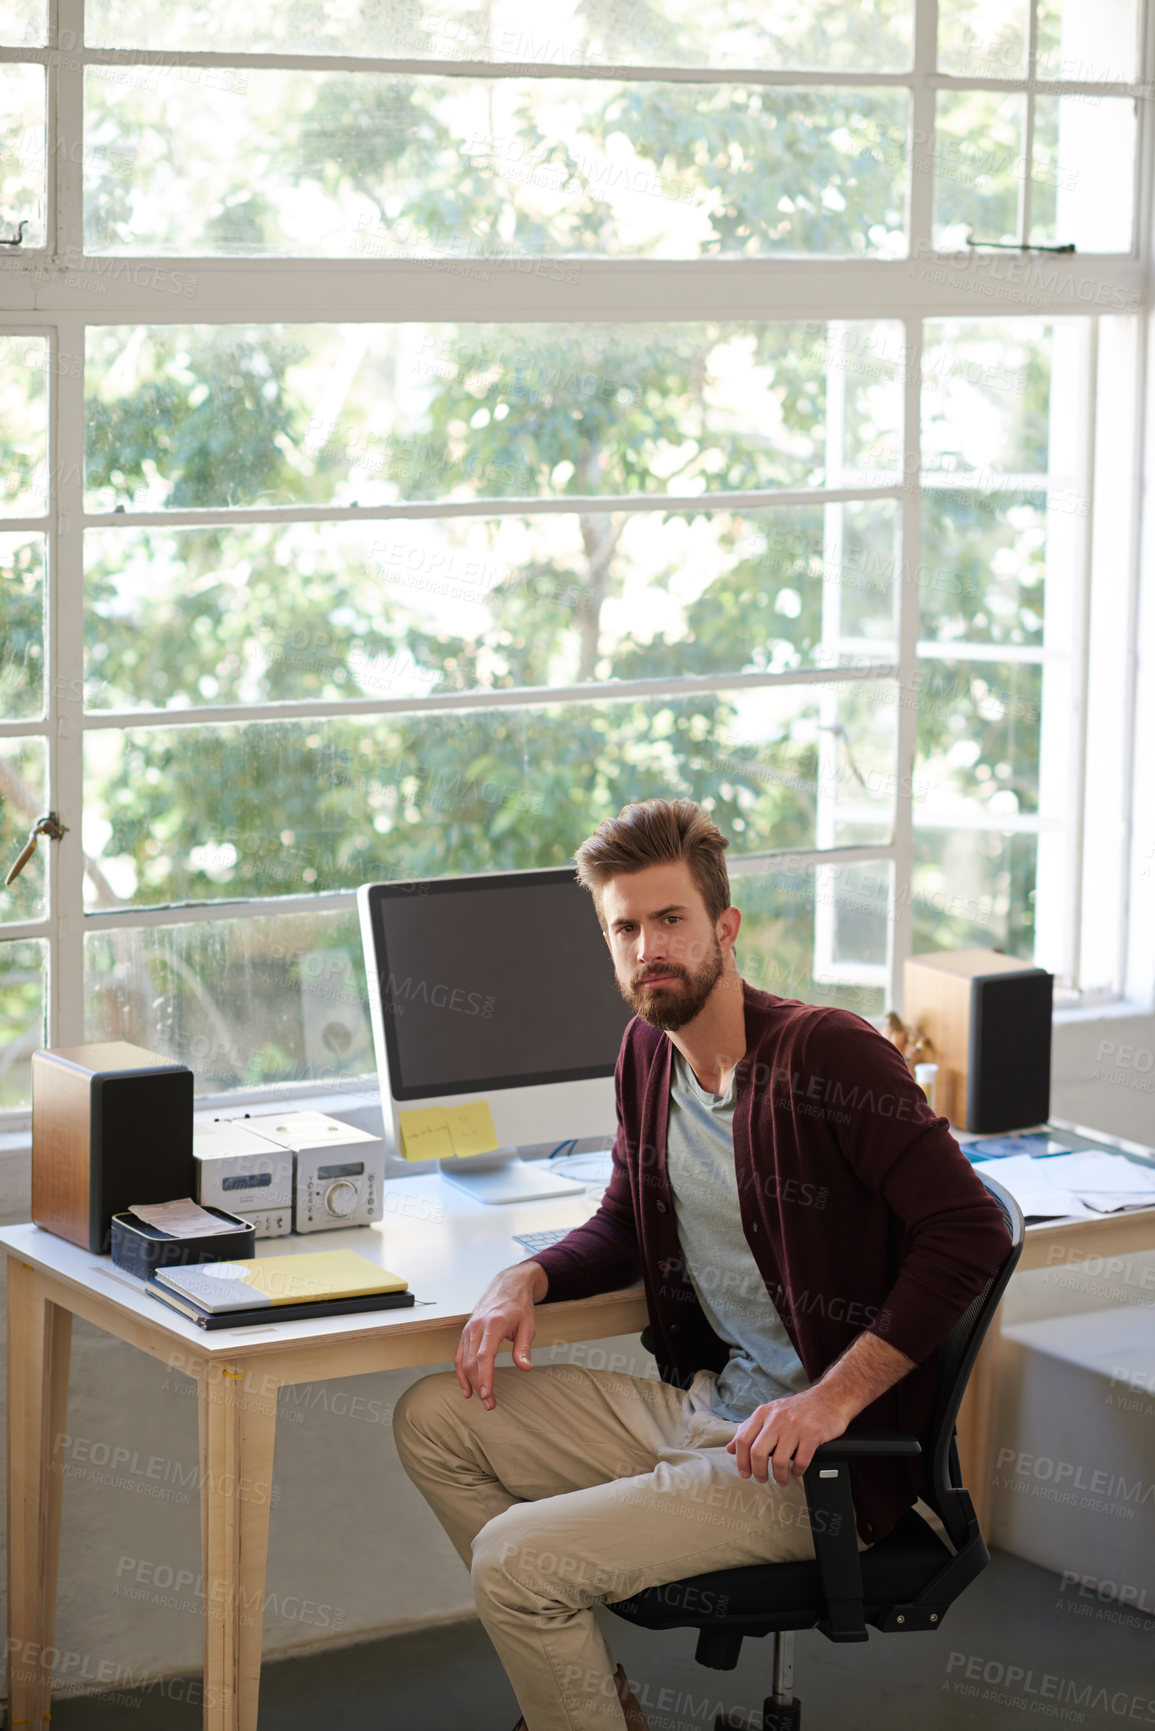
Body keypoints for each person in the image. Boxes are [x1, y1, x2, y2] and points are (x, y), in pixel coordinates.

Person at [394, 799, 1011, 1731]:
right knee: (435, 1417)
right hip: (704, 1408)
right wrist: (530, 1276)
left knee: (515, 1561)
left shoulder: (829, 1053)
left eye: (670, 918)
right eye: (626, 928)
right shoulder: (648, 1053)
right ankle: (598, 1710)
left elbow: (970, 1229)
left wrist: (832, 1399)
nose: (650, 946)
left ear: (724, 927)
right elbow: (626, 1221)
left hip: (809, 1462)